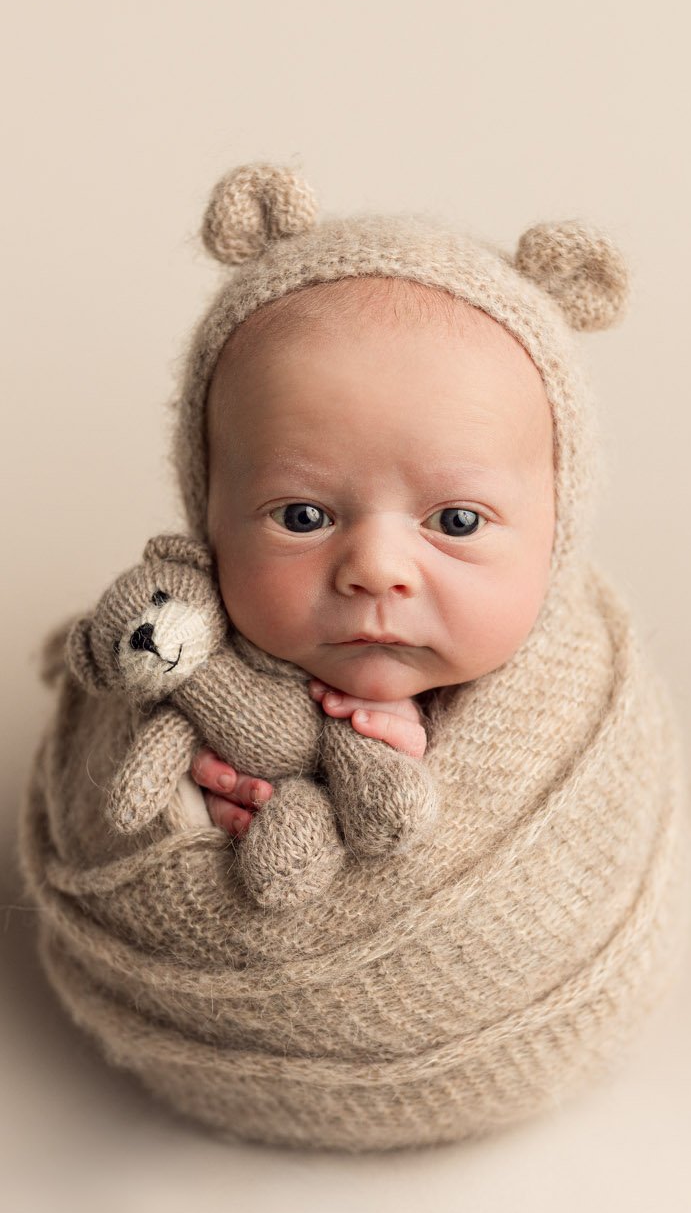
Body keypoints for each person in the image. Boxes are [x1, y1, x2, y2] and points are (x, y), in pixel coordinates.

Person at [182, 273, 558, 840]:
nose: (377, 570)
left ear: (556, 532)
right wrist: (184, 796)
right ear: (209, 520)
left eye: (458, 522)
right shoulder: (166, 653)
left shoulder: (577, 708)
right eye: (302, 517)